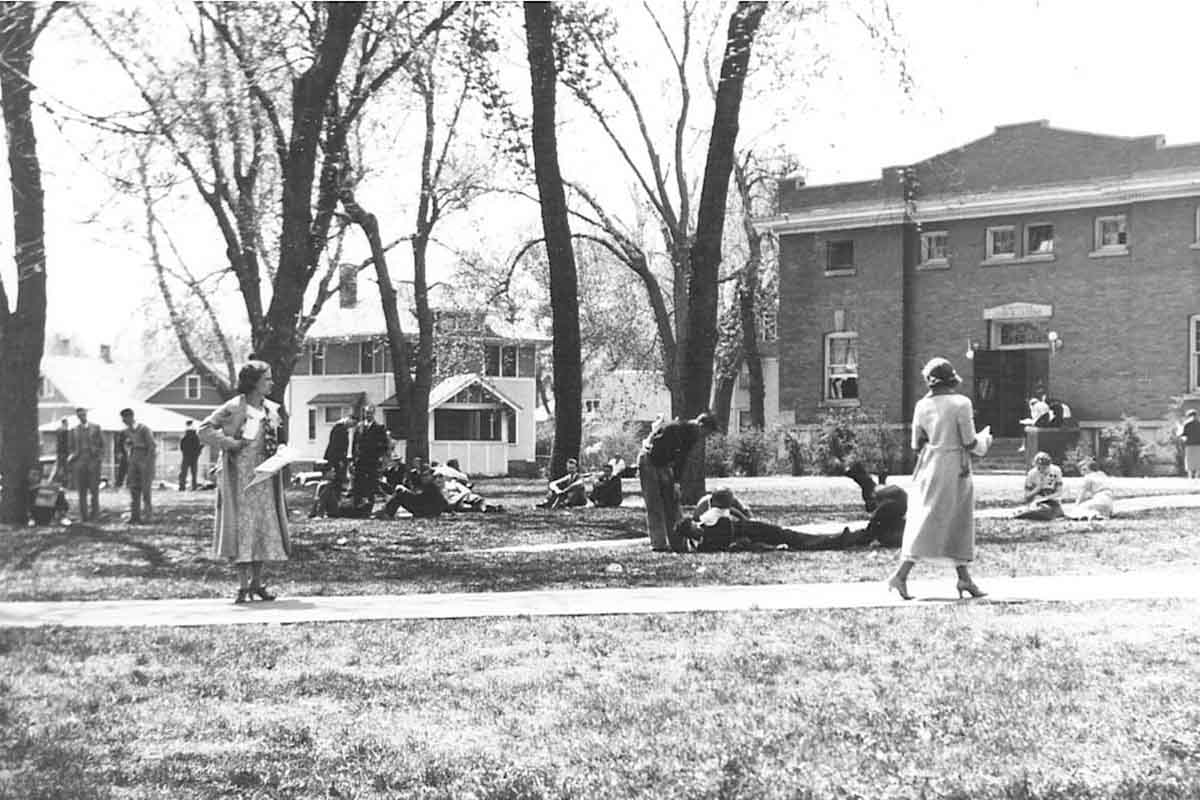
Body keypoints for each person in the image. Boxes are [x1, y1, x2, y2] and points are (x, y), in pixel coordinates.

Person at [887, 358, 986, 600]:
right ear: (952, 379)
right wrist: (986, 441)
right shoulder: (961, 403)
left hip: (928, 466)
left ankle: (964, 577)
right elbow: (970, 442)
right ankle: (901, 574)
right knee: (953, 520)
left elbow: (915, 443)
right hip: (954, 466)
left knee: (930, 516)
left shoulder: (921, 405)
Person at [199, 360, 290, 604]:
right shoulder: (234, 406)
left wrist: (281, 449)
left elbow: (276, 437)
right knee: (241, 526)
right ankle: (242, 586)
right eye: (267, 379)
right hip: (239, 475)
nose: (271, 383)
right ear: (253, 382)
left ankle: (257, 583)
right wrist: (230, 443)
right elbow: (204, 429)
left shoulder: (271, 409)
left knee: (260, 526)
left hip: (264, 476)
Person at [675, 488, 895, 552]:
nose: (698, 530)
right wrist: (763, 548)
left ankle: (839, 539)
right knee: (790, 538)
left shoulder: (708, 520)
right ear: (692, 535)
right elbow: (737, 545)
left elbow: (729, 511)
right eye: (694, 531)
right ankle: (839, 539)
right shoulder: (704, 543)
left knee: (790, 536)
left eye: (695, 527)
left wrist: (741, 517)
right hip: (751, 533)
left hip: (751, 528)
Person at [638, 412, 720, 551]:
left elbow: (682, 460)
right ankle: (659, 544)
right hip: (650, 460)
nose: (704, 437)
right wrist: (664, 476)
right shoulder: (675, 428)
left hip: (665, 464)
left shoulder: (692, 437)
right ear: (700, 425)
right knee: (655, 504)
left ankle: (678, 542)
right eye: (706, 433)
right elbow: (656, 449)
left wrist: (675, 482)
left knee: (673, 504)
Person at [120, 408, 157, 524]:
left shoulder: (144, 429)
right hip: (133, 459)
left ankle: (148, 516)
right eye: (123, 419)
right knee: (133, 488)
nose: (124, 421)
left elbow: (152, 447)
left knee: (146, 489)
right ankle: (135, 516)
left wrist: (148, 463)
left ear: (131, 417)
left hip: (145, 459)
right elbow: (127, 445)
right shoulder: (126, 431)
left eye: (126, 418)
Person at [68, 407, 104, 522]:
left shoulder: (96, 427)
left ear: (86, 414)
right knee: (81, 491)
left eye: (83, 414)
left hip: (93, 461)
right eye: (79, 415)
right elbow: (71, 447)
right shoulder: (74, 430)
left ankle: (95, 515)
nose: (81, 417)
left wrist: (99, 458)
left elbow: (102, 444)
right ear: (77, 416)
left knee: (94, 490)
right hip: (80, 462)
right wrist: (73, 458)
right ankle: (84, 516)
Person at [351, 405, 390, 507]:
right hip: (360, 459)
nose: (368, 415)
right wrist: (353, 458)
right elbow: (354, 443)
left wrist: (380, 456)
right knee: (358, 480)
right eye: (366, 413)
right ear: (364, 413)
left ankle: (370, 504)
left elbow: (384, 445)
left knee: (372, 481)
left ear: (373, 414)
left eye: (370, 413)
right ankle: (357, 503)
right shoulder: (359, 427)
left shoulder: (379, 427)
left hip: (372, 459)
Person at [375, 470, 450, 519]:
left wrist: (406, 491)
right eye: (423, 476)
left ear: (431, 477)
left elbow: (419, 498)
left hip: (424, 510)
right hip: (424, 509)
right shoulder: (429, 486)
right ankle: (386, 512)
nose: (424, 478)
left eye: (426, 476)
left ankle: (387, 513)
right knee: (400, 492)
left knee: (400, 493)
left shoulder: (431, 487)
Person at [1014, 451, 1065, 521]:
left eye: (1045, 467)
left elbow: (1059, 492)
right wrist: (1038, 488)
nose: (1043, 470)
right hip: (1037, 502)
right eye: (1040, 468)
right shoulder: (1031, 474)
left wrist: (1047, 498)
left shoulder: (1056, 471)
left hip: (1053, 501)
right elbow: (1026, 496)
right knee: (1042, 511)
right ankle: (1024, 514)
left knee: (1052, 511)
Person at [323, 411, 356, 487]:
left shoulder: (343, 429)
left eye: (353, 425)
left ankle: (336, 494)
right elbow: (336, 446)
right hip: (336, 458)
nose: (352, 426)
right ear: (349, 419)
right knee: (336, 479)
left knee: (339, 480)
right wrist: (340, 460)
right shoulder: (339, 428)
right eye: (352, 423)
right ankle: (332, 496)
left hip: (339, 458)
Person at [179, 420, 202, 491]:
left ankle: (182, 487)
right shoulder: (196, 437)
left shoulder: (184, 437)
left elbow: (182, 447)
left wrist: (185, 453)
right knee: (194, 473)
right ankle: (194, 487)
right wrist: (198, 453)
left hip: (186, 456)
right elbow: (198, 447)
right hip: (194, 457)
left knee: (183, 472)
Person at [1179, 409, 1200, 480]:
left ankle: (1190, 476)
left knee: (1189, 461)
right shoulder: (1199, 423)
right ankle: (1197, 476)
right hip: (1198, 445)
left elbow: (1183, 435)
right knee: (1198, 461)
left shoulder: (1186, 424)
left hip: (1189, 445)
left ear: (1188, 416)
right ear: (1196, 415)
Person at [54, 419, 71, 488]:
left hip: (59, 452)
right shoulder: (65, 431)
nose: (68, 425)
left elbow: (59, 442)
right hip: (63, 453)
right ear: (65, 423)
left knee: (60, 468)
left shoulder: (58, 430)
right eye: (67, 423)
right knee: (65, 469)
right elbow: (65, 443)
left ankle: (59, 482)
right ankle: (64, 484)